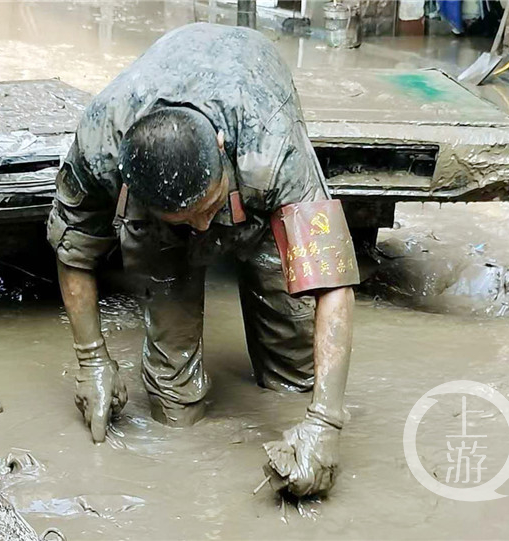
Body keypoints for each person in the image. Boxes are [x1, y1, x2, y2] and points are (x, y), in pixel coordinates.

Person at [47, 23, 359, 498]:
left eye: (208, 209)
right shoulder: (100, 143)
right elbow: (73, 248)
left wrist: (325, 421)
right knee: (172, 397)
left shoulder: (273, 147)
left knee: (293, 369)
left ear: (219, 147)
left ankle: (295, 394)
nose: (199, 229)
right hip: (159, 211)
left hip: (252, 118)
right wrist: (92, 360)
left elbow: (332, 281)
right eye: (184, 219)